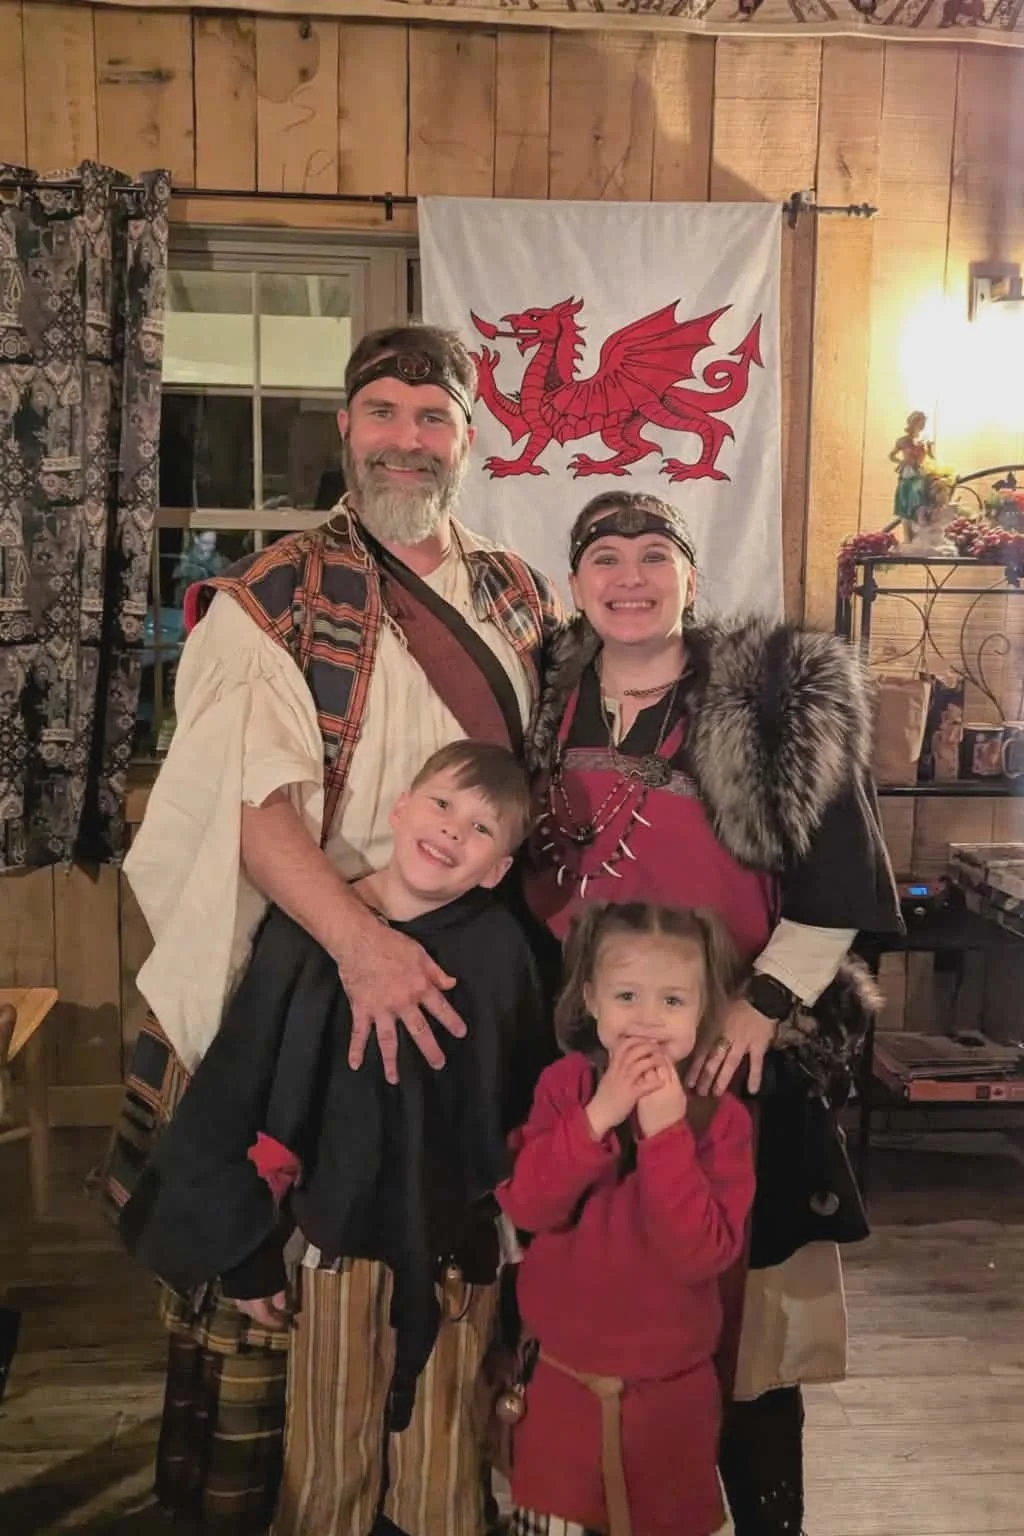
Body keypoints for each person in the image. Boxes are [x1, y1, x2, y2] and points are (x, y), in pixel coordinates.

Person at [106, 322, 564, 1534]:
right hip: (313, 966)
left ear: (467, 437)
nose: (404, 439)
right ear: (346, 426)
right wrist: (362, 945)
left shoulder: (518, 596)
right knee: (298, 1276)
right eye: (383, 413)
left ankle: (442, 1489)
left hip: (462, 976)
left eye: (431, 417)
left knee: (457, 1235)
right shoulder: (273, 596)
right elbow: (251, 815)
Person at [524, 491, 902, 1535]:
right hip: (587, 1052)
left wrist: (761, 1009)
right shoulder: (541, 702)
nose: (630, 577)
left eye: (655, 556)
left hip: (735, 1059)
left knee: (746, 1341)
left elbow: (839, 890)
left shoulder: (771, 705)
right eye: (605, 557)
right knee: (609, 1312)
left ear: (691, 578)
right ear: (576, 584)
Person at [120, 740, 554, 1536]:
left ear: (498, 869)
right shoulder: (310, 934)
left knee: (444, 1474)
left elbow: (520, 1105)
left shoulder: (501, 956)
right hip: (334, 1250)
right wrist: (251, 1248)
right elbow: (250, 1088)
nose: (453, 832)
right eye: (442, 806)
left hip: (460, 1256)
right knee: (327, 1460)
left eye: (483, 829)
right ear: (400, 807)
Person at [497, 901, 755, 1536]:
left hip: (670, 1408)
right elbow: (527, 1205)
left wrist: (666, 1134)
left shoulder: (720, 1120)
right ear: (590, 999)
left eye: (673, 1001)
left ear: (704, 1010)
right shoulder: (563, 1089)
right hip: (562, 1393)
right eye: (627, 995)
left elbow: (700, 1254)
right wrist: (596, 1119)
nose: (647, 1019)